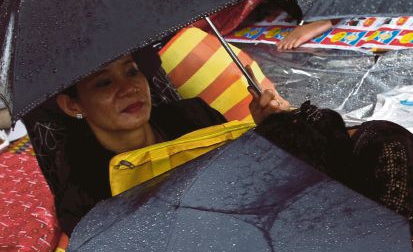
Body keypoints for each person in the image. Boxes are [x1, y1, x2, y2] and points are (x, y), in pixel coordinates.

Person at [50, 53, 288, 234]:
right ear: (73, 106)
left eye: (132, 72)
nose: (129, 88)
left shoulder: (195, 117)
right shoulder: (86, 198)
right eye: (104, 83)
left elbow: (252, 178)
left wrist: (273, 130)